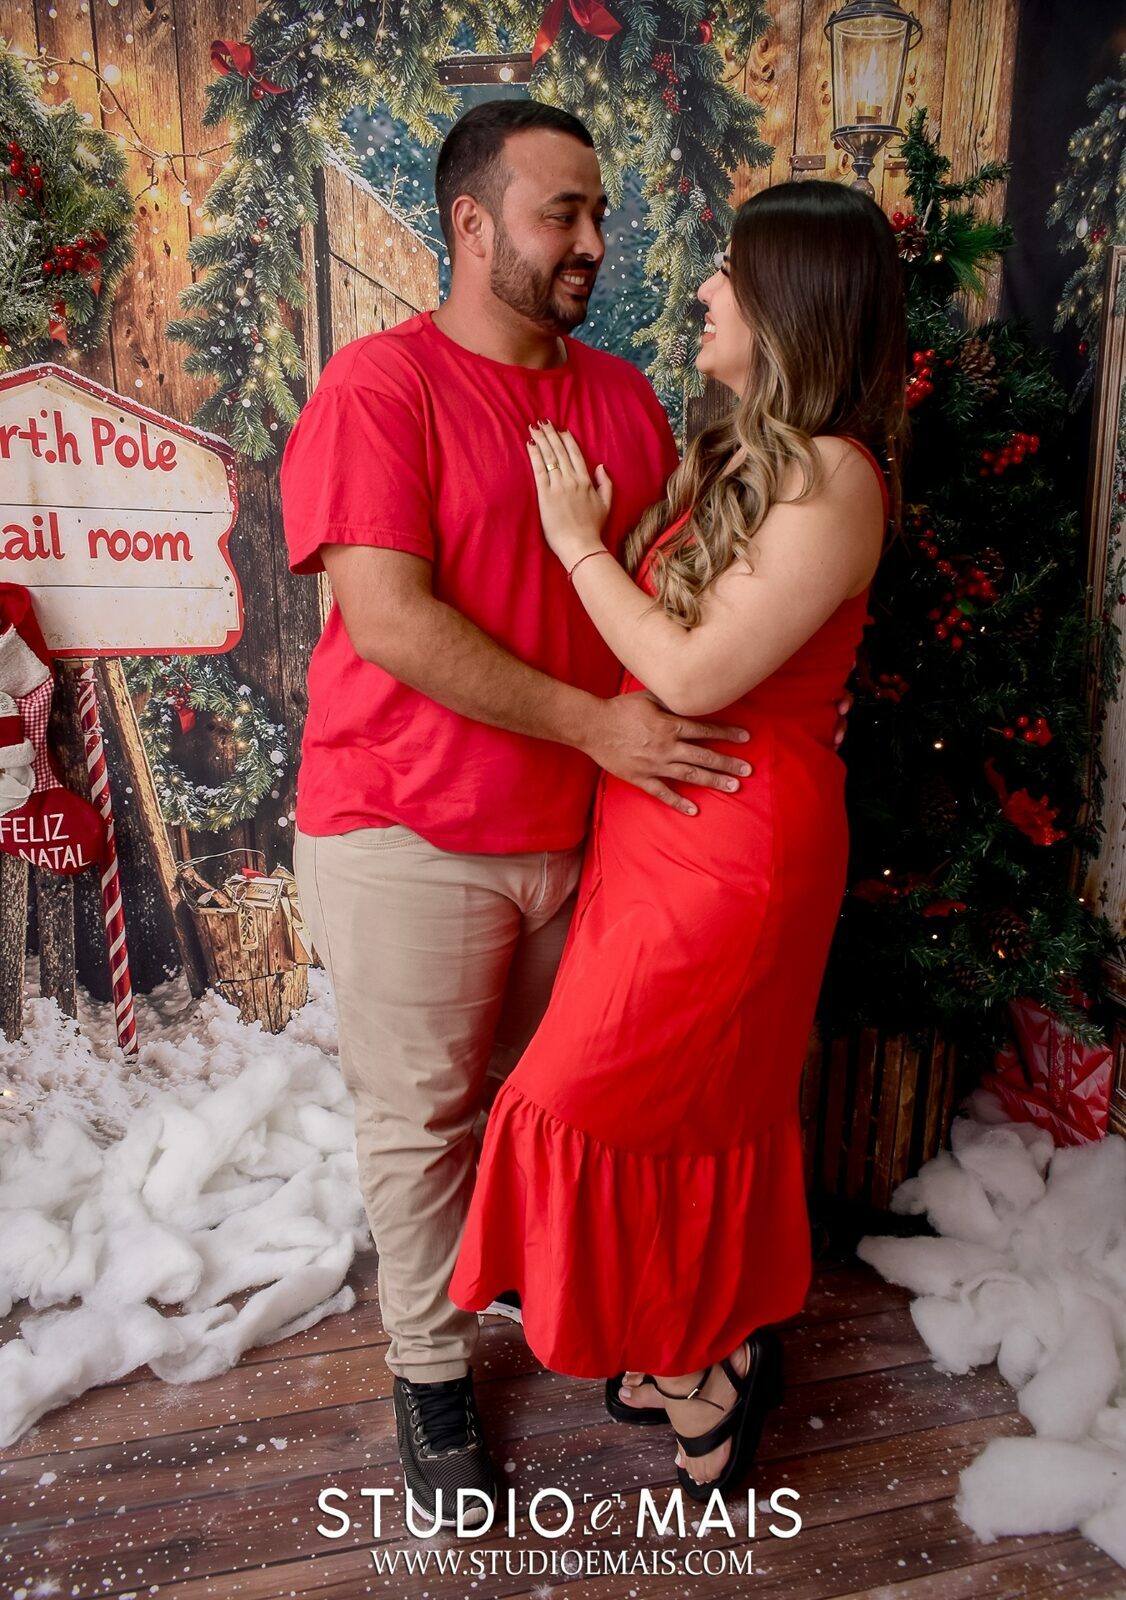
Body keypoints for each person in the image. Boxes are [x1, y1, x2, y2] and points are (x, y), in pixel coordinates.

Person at [280, 100, 766, 1524]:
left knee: (560, 1102)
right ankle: (429, 1373)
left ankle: (570, 1310)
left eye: (598, 213)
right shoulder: (382, 386)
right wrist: (601, 728)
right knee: (422, 1119)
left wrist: (784, 691)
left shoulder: (621, 398)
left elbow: (675, 598)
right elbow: (389, 621)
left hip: (594, 833)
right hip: (406, 825)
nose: (592, 241)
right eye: (563, 214)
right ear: (472, 223)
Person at [450, 179, 908, 1503]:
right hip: (662, 830)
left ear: (788, 305)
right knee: (676, 1112)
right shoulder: (740, 455)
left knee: (606, 1100)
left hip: (737, 846)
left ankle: (712, 1360)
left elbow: (694, 674)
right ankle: (683, 1341)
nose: (702, 289)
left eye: (726, 272)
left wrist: (576, 545)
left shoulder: (837, 474)